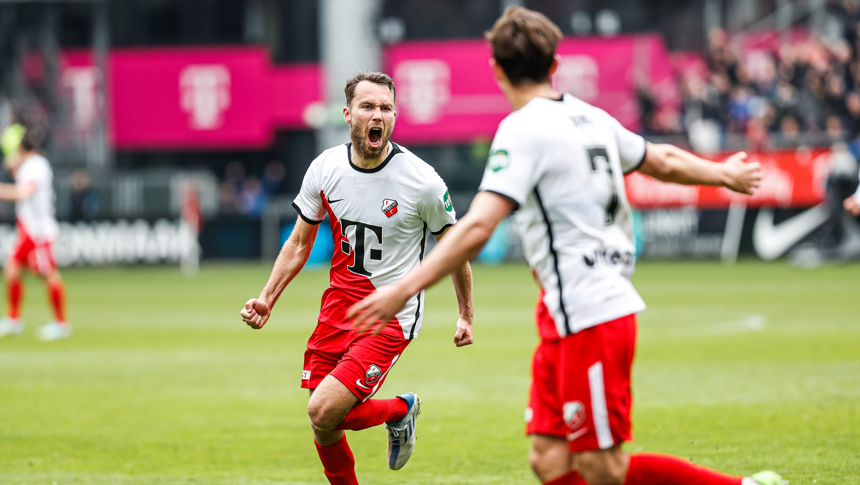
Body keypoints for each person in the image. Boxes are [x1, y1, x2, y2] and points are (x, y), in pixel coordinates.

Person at [348, 8, 786, 485]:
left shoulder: (523, 129)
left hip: (592, 311)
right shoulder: (590, 117)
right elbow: (657, 158)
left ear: (496, 69)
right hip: (563, 313)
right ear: (555, 64)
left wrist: (402, 289)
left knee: (603, 468)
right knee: (550, 461)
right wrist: (723, 172)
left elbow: (477, 227)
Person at [239, 71, 474, 484]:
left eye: (385, 108)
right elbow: (298, 243)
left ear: (394, 116)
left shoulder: (422, 182)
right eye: (367, 107)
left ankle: (401, 409)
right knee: (324, 425)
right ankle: (397, 415)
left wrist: (465, 314)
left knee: (321, 410)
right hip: (338, 306)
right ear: (348, 115)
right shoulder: (325, 168)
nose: (377, 115)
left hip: (389, 315)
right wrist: (266, 298)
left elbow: (454, 249)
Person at [0, 130, 70, 341]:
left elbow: (24, 192)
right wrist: (14, 170)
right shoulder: (33, 164)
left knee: (48, 274)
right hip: (29, 230)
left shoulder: (35, 166)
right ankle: (13, 320)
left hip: (39, 232)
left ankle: (61, 324)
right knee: (11, 269)